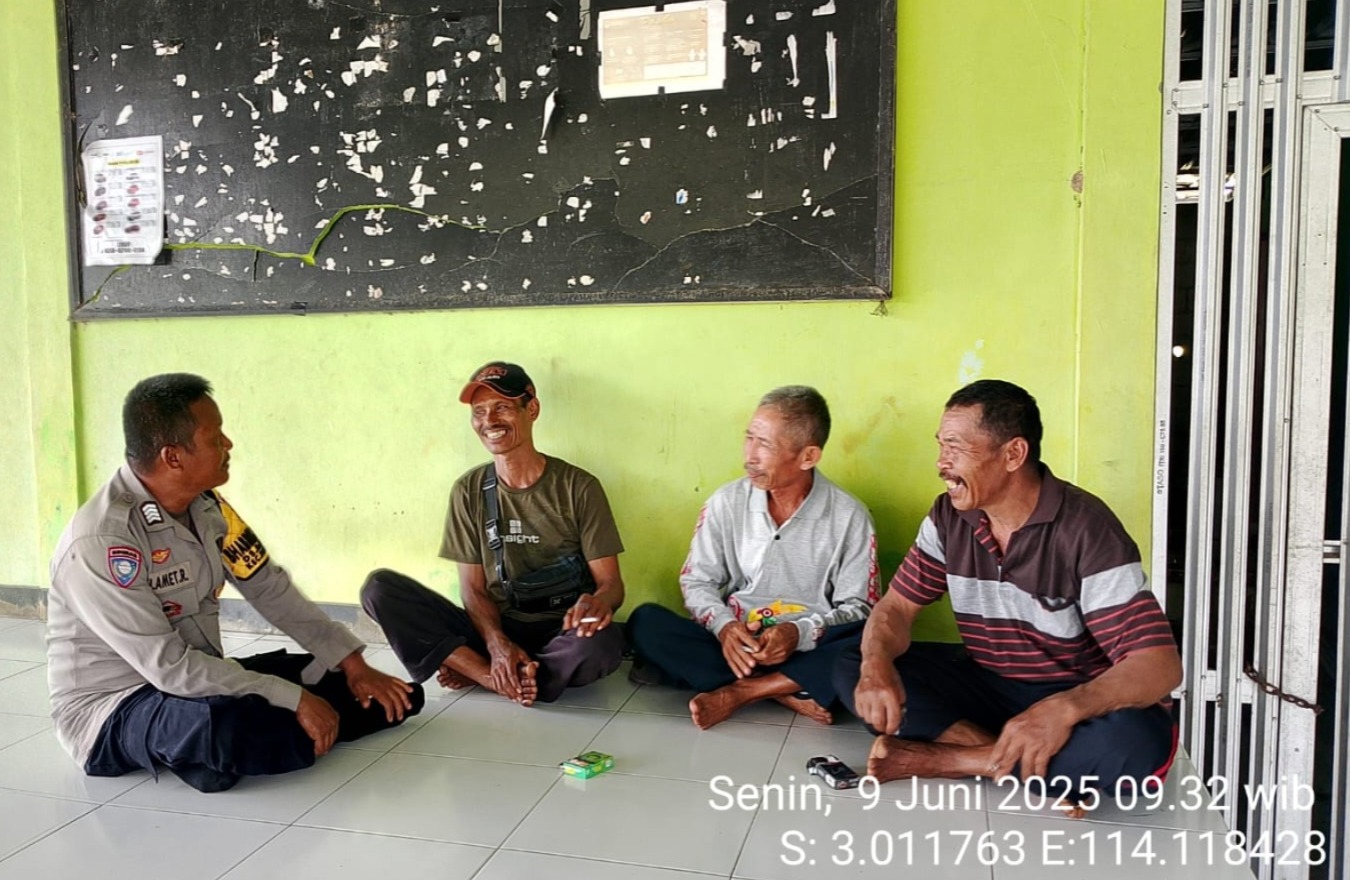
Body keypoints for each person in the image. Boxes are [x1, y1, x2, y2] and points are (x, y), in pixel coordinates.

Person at [47, 374, 421, 793]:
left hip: (200, 679)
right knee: (226, 727)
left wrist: (353, 665)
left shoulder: (208, 507)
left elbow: (269, 588)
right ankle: (235, 737)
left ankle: (262, 737)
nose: (228, 444)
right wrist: (294, 698)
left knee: (384, 695)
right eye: (215, 438)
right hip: (118, 707)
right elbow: (168, 668)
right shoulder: (103, 539)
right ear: (173, 457)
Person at [835, 379, 1181, 796]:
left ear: (1014, 453)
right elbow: (896, 608)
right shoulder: (949, 516)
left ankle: (952, 760)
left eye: (955, 447)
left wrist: (1064, 709)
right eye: (941, 446)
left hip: (1073, 694)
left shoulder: (1086, 529)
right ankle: (1009, 757)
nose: (942, 463)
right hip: (989, 685)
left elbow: (1158, 665)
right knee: (853, 659)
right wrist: (875, 666)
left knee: (1135, 746)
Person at [361, 362, 626, 706]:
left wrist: (598, 603)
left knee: (602, 645)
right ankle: (497, 675)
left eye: (502, 407)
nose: (489, 421)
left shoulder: (578, 487)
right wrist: (497, 643)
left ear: (532, 409)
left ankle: (491, 673)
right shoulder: (468, 490)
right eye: (479, 411)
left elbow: (611, 584)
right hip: (493, 626)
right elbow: (472, 590)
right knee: (380, 589)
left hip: (561, 629)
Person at [627, 386, 878, 730]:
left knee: (871, 639)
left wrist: (798, 633)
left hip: (809, 644)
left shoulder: (849, 516)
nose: (750, 456)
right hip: (738, 642)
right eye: (749, 438)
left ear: (808, 456)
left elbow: (859, 608)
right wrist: (725, 628)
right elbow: (697, 581)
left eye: (765, 445)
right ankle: (784, 689)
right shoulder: (726, 502)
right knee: (645, 622)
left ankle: (742, 690)